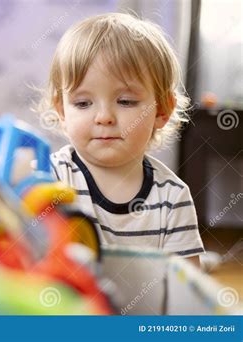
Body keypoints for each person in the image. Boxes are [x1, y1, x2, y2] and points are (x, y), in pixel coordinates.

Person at [37, 13, 204, 265]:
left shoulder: (173, 198)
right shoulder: (51, 178)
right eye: (83, 103)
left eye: (125, 101)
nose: (104, 117)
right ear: (62, 111)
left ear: (161, 111)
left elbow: (185, 289)